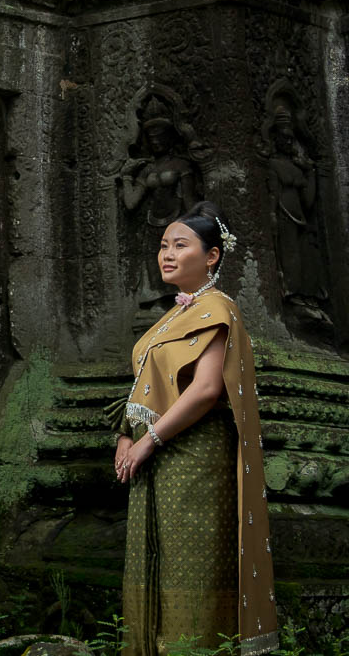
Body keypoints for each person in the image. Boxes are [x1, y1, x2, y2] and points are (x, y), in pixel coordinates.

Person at [114, 200, 279, 656]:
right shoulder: (174, 316)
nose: (166, 254)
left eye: (180, 245)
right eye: (163, 245)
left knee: (191, 567)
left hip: (197, 457)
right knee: (159, 563)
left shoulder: (218, 309)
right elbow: (146, 386)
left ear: (212, 256)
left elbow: (206, 390)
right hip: (160, 453)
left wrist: (148, 441)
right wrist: (126, 435)